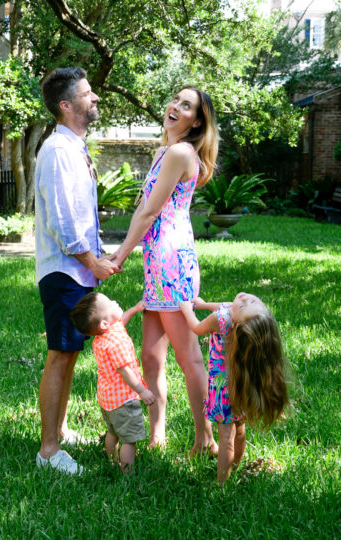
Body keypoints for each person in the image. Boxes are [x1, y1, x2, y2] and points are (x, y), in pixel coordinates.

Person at [109, 86, 219, 455]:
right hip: (157, 261)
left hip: (171, 263)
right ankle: (157, 434)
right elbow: (144, 209)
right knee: (152, 357)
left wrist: (120, 255)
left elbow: (149, 212)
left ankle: (205, 438)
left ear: (196, 121)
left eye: (186, 106)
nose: (175, 107)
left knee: (189, 358)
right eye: (175, 99)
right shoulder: (164, 151)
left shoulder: (179, 152)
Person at [34, 67, 121, 475]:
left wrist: (98, 257)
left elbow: (81, 217)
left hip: (78, 272)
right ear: (66, 105)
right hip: (64, 272)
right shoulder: (57, 150)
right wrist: (92, 261)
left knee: (68, 356)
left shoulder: (74, 147)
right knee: (60, 355)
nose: (96, 99)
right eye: (88, 94)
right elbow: (61, 219)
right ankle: (48, 451)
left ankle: (61, 430)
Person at [180, 293, 290, 485]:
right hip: (240, 386)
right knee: (239, 431)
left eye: (246, 304)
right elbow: (229, 304)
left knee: (226, 437)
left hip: (221, 390)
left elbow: (197, 328)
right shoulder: (248, 322)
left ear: (237, 323)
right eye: (252, 300)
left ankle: (222, 483)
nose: (245, 299)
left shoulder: (221, 320)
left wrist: (187, 309)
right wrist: (205, 304)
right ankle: (236, 467)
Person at [70, 292, 157, 473]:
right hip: (123, 401)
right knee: (128, 440)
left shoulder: (103, 337)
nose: (115, 301)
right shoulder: (116, 343)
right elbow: (126, 372)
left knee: (112, 432)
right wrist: (142, 391)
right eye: (110, 303)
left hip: (108, 399)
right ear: (104, 323)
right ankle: (127, 474)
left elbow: (120, 323)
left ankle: (111, 460)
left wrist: (133, 310)